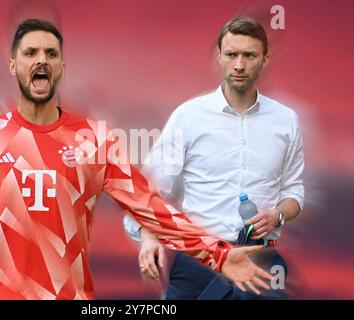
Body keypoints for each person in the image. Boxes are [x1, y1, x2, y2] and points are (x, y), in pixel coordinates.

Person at [0, 18, 272, 300]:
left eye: (50, 54)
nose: (41, 61)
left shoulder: (94, 140)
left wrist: (219, 255)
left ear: (61, 67)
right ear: (13, 66)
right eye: (30, 53)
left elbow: (151, 209)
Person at [124, 16, 304, 299]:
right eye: (231, 54)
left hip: (261, 262)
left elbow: (294, 191)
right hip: (199, 261)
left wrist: (277, 214)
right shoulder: (188, 117)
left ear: (265, 59)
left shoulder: (286, 121)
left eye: (249, 55)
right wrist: (148, 237)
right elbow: (150, 188)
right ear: (219, 56)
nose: (239, 65)